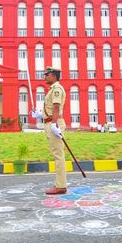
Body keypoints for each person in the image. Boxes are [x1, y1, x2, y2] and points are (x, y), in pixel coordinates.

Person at [31, 67, 68, 195]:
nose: (45, 77)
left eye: (47, 75)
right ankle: (60, 183)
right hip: (51, 122)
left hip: (55, 123)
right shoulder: (52, 89)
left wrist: (54, 125)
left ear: (53, 76)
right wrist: (40, 115)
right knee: (56, 154)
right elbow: (51, 109)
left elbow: (56, 107)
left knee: (58, 155)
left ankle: (61, 186)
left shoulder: (57, 89)